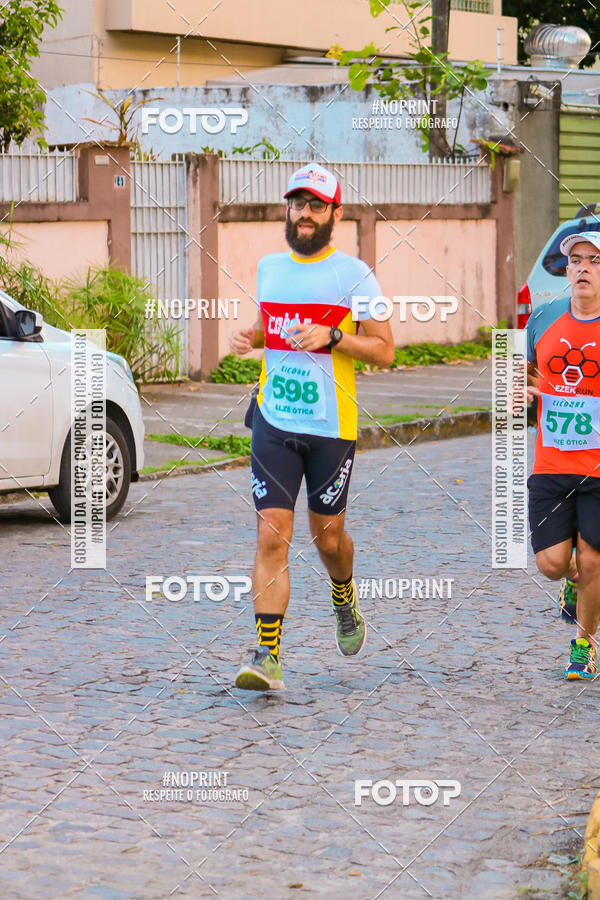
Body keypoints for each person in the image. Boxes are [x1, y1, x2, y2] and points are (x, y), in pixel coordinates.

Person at [229, 162, 394, 691]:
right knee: (271, 534)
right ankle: (268, 657)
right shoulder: (269, 268)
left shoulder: (355, 274)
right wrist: (252, 338)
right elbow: (269, 326)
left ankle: (343, 595)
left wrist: (334, 337)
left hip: (330, 427)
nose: (304, 213)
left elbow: (385, 350)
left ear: (335, 214)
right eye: (298, 203)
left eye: (316, 205)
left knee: (328, 538)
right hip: (274, 420)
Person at [526, 230, 600, 679]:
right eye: (576, 260)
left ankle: (584, 646)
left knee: (594, 559)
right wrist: (521, 391)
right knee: (552, 564)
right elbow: (522, 373)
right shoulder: (544, 317)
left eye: (595, 260)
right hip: (551, 463)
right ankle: (572, 580)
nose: (584, 268)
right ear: (567, 269)